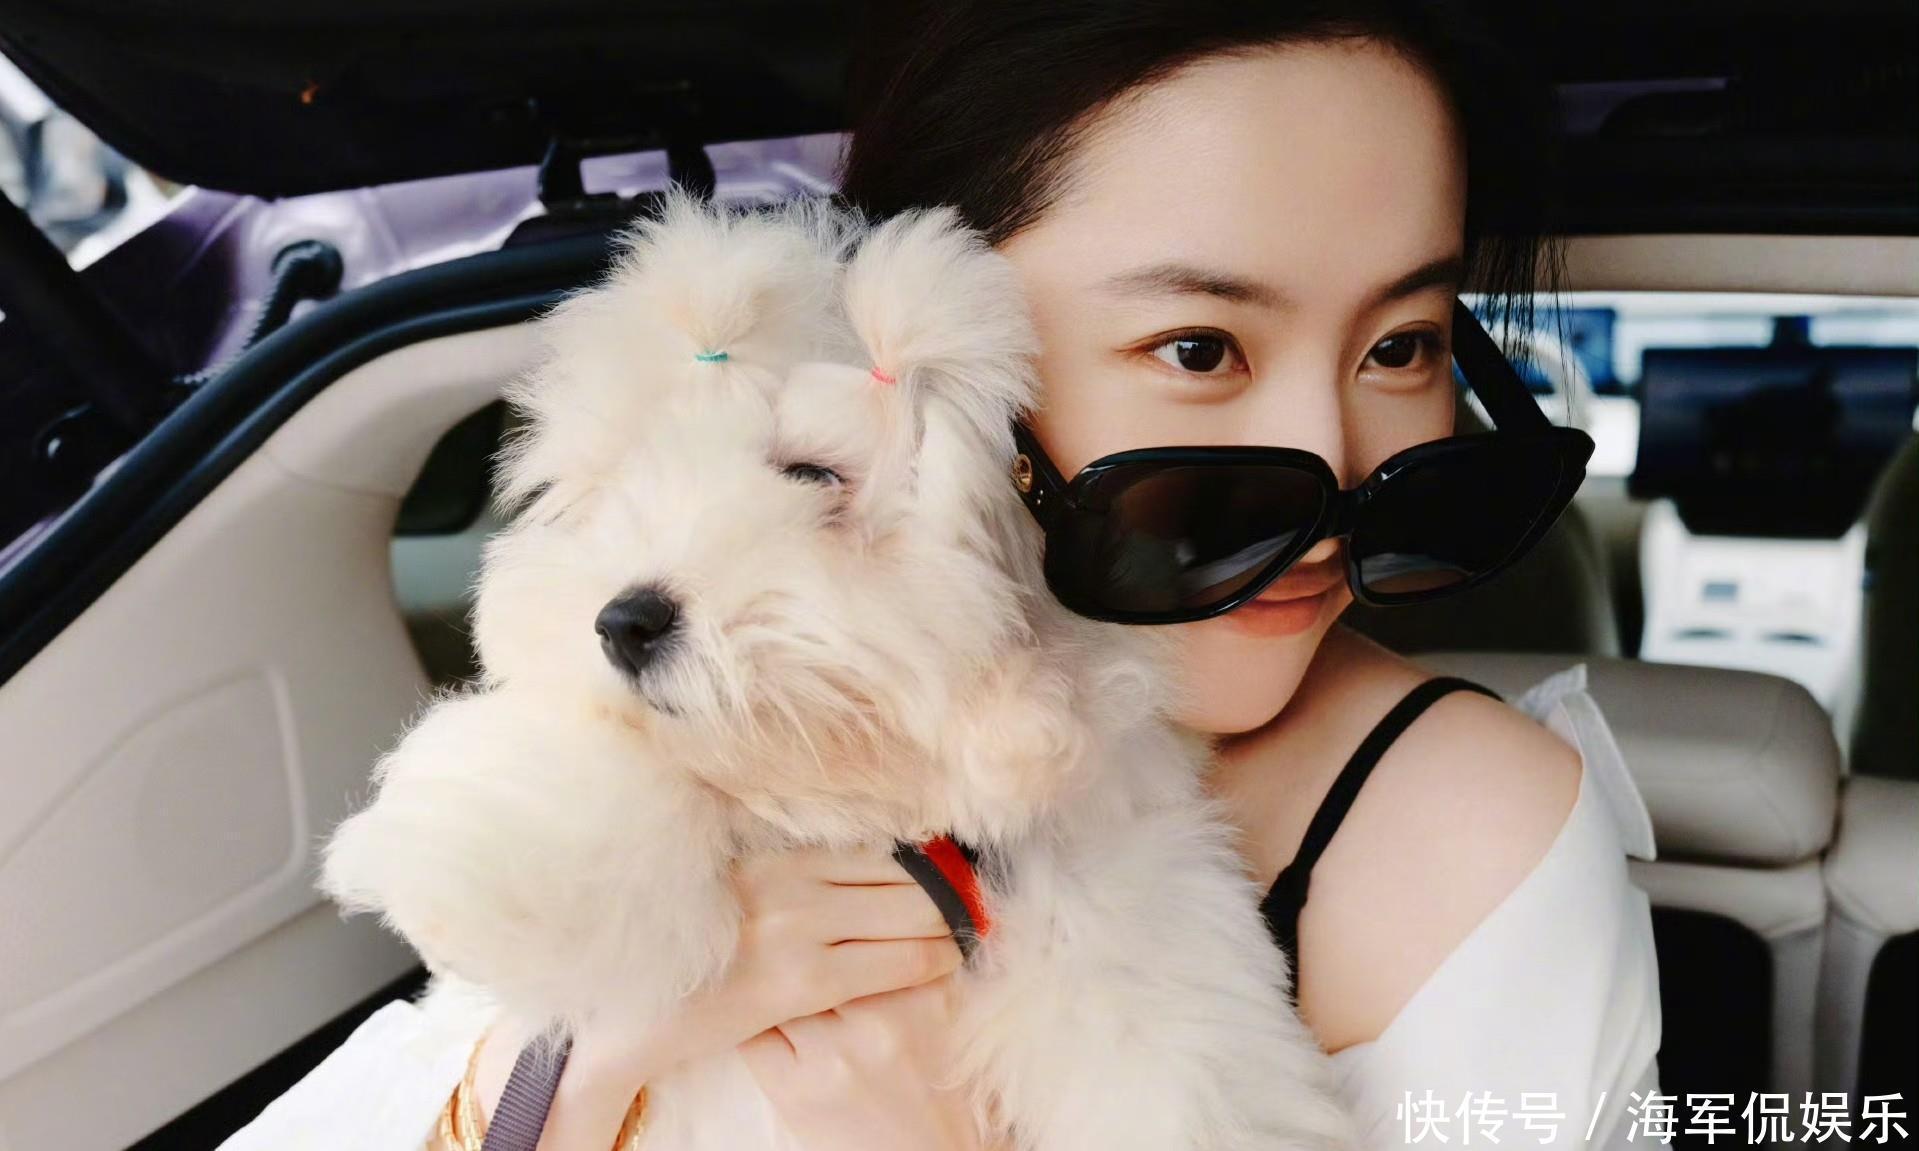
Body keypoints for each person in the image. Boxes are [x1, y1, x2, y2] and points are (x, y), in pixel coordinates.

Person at [223, 2, 1662, 1148]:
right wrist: (567, 1072)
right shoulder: (695, 720)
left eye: (1402, 347)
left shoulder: (1463, 831)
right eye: (1199, 348)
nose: (1332, 466)